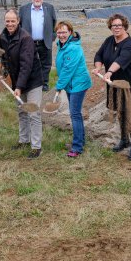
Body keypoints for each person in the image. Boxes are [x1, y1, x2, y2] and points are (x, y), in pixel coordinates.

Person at [94, 14, 131, 160]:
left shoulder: (130, 44)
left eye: (119, 25)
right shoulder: (109, 41)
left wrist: (109, 71)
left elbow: (121, 59)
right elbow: (99, 55)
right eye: (113, 26)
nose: (116, 28)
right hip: (117, 81)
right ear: (110, 27)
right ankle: (124, 140)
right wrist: (98, 67)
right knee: (120, 109)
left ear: (124, 27)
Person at [0, 9, 45, 159]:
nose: (10, 24)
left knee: (33, 112)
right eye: (8, 21)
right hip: (18, 80)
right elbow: (5, 58)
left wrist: (19, 87)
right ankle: (24, 140)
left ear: (18, 21)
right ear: (4, 21)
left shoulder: (26, 38)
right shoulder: (3, 36)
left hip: (32, 81)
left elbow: (26, 65)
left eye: (13, 21)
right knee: (21, 111)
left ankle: (36, 146)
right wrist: (3, 72)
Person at [53, 20, 92, 158]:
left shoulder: (73, 48)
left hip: (78, 84)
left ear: (70, 32)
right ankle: (80, 141)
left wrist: (59, 86)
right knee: (76, 113)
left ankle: (77, 147)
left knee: (75, 114)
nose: (61, 34)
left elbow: (68, 69)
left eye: (64, 32)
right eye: (59, 32)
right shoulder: (62, 44)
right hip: (71, 84)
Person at [19, 0, 58, 91]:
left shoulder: (49, 8)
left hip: (44, 42)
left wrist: (52, 37)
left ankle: (44, 84)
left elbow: (54, 23)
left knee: (46, 64)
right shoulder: (24, 9)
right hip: (29, 43)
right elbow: (19, 24)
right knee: (29, 63)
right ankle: (31, 84)